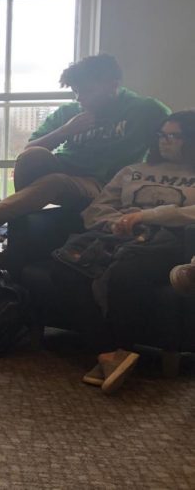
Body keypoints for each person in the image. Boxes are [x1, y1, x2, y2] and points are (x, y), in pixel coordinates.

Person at [0, 54, 170, 246]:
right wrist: (65, 131)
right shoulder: (70, 113)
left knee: (56, 181)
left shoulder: (144, 109)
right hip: (63, 169)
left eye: (87, 91)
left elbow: (174, 139)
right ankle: (18, 218)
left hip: (102, 183)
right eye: (76, 92)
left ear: (112, 85)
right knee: (33, 156)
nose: (80, 98)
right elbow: (28, 150)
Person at [50, 111, 195, 394]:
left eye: (173, 136)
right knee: (63, 265)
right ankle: (109, 354)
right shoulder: (132, 171)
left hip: (169, 240)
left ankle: (121, 350)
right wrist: (116, 221)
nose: (165, 142)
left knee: (126, 272)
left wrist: (148, 216)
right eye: (161, 135)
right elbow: (96, 208)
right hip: (115, 234)